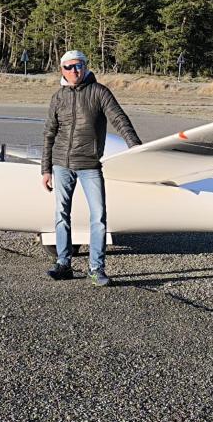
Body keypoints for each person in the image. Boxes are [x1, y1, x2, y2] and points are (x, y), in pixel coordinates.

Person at [41, 50, 142, 286]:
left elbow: (119, 119)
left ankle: (96, 269)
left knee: (98, 217)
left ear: (85, 67)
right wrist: (45, 169)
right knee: (61, 216)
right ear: (62, 70)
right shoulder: (58, 97)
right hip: (61, 165)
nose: (75, 71)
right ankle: (63, 264)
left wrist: (134, 145)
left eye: (79, 66)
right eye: (69, 67)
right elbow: (49, 134)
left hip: (89, 165)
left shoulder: (99, 92)